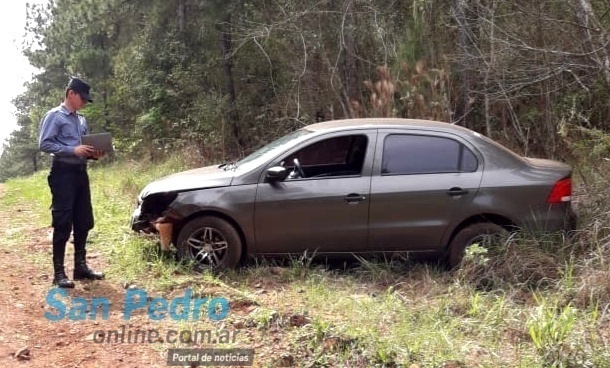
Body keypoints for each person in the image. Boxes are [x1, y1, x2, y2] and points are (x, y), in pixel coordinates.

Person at [38, 77, 105, 288]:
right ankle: (58, 273)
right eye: (82, 98)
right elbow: (44, 143)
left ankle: (80, 267)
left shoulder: (81, 120)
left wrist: (95, 154)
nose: (84, 102)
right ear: (71, 94)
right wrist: (71, 150)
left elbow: (84, 148)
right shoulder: (54, 116)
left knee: (83, 220)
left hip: (80, 173)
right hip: (62, 174)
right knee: (63, 221)